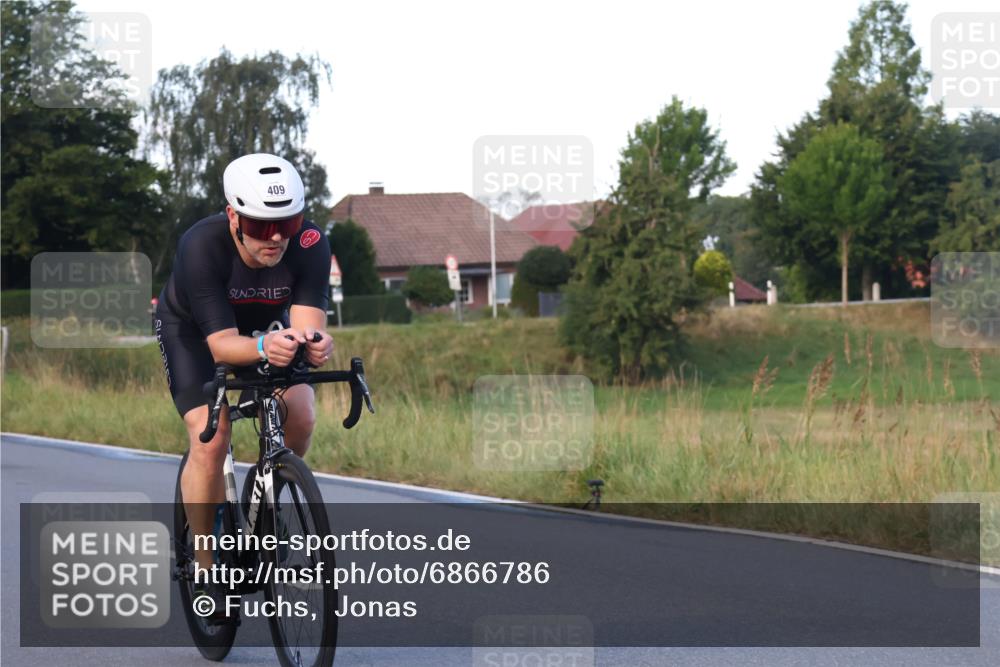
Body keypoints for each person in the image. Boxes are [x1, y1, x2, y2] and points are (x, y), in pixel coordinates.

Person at [154, 153, 333, 613]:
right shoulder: (202, 245)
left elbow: (308, 320)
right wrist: (261, 350)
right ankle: (204, 562)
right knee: (210, 440)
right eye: (258, 226)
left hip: (264, 330)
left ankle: (265, 483)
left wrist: (313, 341)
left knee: (302, 414)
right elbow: (221, 347)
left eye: (286, 223)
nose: (274, 237)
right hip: (196, 333)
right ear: (233, 216)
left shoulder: (311, 243)